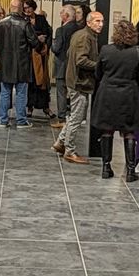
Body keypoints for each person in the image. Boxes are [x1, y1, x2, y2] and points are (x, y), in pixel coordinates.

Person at [92, 18, 139, 179]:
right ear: (133, 34)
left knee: (107, 130)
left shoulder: (105, 50)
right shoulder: (138, 52)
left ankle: (106, 168)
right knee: (129, 131)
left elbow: (98, 73)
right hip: (129, 96)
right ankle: (131, 171)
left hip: (107, 94)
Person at [55, 9, 102, 165]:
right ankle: (69, 150)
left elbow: (70, 53)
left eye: (102, 21)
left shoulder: (83, 34)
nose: (100, 24)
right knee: (77, 117)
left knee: (76, 115)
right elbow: (80, 60)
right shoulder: (85, 37)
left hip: (77, 81)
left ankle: (61, 142)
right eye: (97, 21)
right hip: (79, 82)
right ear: (89, 22)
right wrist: (99, 66)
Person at [0, 0, 33, 128]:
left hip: (5, 63)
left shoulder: (0, 23)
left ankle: (3, 120)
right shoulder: (25, 24)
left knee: (4, 92)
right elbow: (33, 41)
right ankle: (21, 120)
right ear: (21, 8)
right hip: (22, 64)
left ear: (10, 8)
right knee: (21, 92)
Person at [50, 4, 80, 125]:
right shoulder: (79, 29)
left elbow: (56, 48)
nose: (60, 15)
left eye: (62, 13)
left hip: (62, 66)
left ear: (66, 16)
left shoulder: (61, 30)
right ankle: (75, 117)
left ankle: (62, 118)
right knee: (75, 93)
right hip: (75, 66)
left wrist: (52, 43)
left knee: (61, 92)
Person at [25, 0, 53, 120]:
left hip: (40, 54)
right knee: (30, 82)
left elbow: (48, 33)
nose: (27, 10)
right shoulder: (23, 20)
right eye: (25, 8)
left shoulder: (41, 19)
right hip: (28, 57)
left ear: (33, 7)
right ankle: (29, 107)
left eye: (29, 7)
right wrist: (37, 38)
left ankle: (45, 107)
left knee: (42, 81)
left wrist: (45, 44)